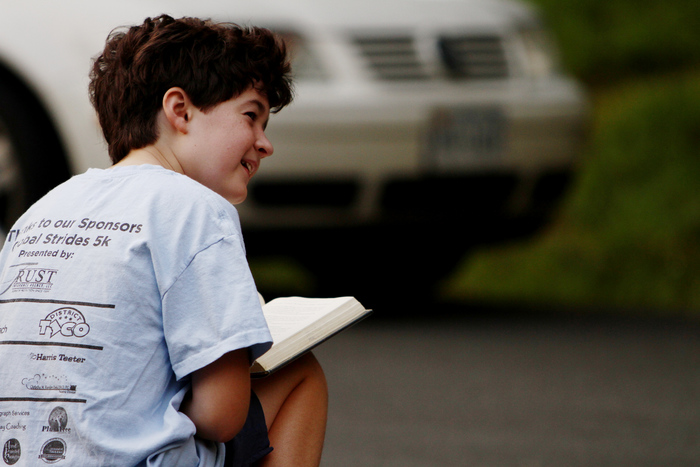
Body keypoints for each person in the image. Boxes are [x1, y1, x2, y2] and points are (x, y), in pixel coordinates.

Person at [0, 15, 327, 467]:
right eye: (251, 116)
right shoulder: (198, 209)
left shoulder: (41, 210)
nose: (264, 143)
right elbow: (221, 416)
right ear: (179, 110)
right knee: (302, 372)